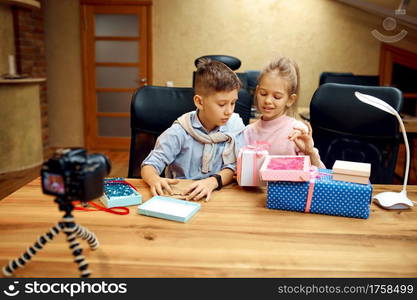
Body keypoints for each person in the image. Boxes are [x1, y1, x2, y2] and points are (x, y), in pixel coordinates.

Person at [141, 59, 245, 201]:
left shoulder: (235, 127)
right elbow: (150, 164)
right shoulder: (180, 131)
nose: (229, 111)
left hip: (218, 194)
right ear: (200, 102)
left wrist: (212, 182)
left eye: (233, 103)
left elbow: (233, 167)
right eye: (222, 104)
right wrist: (154, 179)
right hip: (183, 196)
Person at [244, 56, 325, 168]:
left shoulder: (297, 131)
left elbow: (322, 174)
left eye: (277, 97)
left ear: (290, 100)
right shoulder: (248, 132)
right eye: (263, 94)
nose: (267, 101)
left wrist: (309, 152)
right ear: (257, 91)